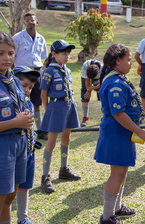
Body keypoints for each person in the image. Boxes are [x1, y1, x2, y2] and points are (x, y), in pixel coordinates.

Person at [94, 43, 145, 224]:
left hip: (123, 133)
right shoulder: (115, 83)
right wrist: (139, 131)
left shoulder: (118, 78)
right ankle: (107, 216)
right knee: (116, 174)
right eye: (128, 60)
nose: (131, 63)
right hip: (117, 132)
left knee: (122, 171)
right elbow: (118, 113)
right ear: (117, 61)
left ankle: (116, 208)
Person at [0, 31, 34, 224]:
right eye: (1, 53)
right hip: (3, 145)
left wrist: (25, 118)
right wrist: (15, 122)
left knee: (10, 196)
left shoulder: (14, 81)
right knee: (1, 197)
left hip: (20, 145)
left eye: (11, 53)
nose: (7, 58)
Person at [40, 39, 81, 194]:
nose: (66, 55)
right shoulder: (49, 71)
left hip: (69, 105)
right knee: (51, 143)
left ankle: (64, 169)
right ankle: (45, 176)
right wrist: (48, 110)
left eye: (68, 52)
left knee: (66, 137)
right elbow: (43, 93)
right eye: (63, 52)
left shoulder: (67, 70)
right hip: (56, 107)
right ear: (54, 54)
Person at [13, 12, 48, 140]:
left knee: (37, 102)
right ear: (24, 23)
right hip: (22, 72)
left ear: (36, 22)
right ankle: (22, 127)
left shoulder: (41, 39)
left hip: (37, 72)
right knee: (21, 100)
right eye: (27, 21)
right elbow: (12, 57)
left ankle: (40, 130)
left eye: (32, 20)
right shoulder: (17, 38)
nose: (30, 23)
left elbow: (43, 56)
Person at [13, 66, 41, 224]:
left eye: (30, 87)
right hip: (15, 153)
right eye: (24, 86)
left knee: (25, 186)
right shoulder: (10, 105)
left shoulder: (29, 104)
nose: (28, 90)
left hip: (29, 153)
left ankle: (23, 218)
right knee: (10, 188)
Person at [80, 59, 102, 127]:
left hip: (100, 81)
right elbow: (87, 80)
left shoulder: (103, 68)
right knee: (85, 95)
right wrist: (88, 91)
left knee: (102, 95)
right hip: (87, 76)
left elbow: (103, 83)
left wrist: (93, 88)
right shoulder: (85, 66)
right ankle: (85, 117)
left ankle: (105, 116)